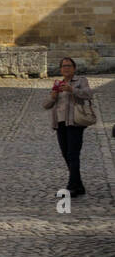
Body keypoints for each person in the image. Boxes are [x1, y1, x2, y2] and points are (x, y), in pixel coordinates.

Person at [44, 56, 94, 197]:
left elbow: (89, 94)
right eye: (64, 66)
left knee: (73, 154)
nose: (66, 68)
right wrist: (53, 96)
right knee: (66, 154)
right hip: (60, 124)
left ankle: (72, 186)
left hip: (75, 122)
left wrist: (72, 90)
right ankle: (78, 186)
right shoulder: (57, 83)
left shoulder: (81, 81)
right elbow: (46, 105)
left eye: (69, 66)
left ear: (74, 68)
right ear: (61, 69)